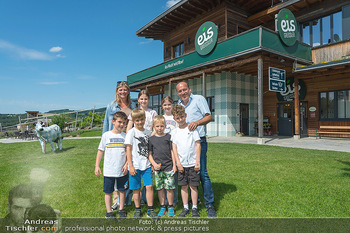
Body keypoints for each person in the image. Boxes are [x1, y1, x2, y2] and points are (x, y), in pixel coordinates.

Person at [176, 81, 217, 218]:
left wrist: (196, 123)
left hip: (199, 141)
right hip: (184, 144)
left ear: (189, 89)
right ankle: (193, 202)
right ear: (178, 93)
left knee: (203, 173)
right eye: (180, 91)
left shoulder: (199, 99)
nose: (183, 93)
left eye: (184, 90)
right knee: (188, 174)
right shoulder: (178, 105)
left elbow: (209, 116)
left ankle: (209, 204)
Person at [102, 81, 136, 209]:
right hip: (115, 140)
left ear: (128, 91)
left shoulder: (133, 104)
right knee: (115, 168)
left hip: (129, 139)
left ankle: (126, 197)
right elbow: (106, 123)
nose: (123, 92)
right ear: (117, 91)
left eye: (125, 90)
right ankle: (116, 200)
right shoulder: (111, 106)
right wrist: (104, 140)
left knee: (126, 167)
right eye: (120, 90)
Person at [95, 111, 129, 220]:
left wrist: (126, 164)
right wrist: (97, 165)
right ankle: (109, 212)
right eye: (119, 122)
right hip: (109, 170)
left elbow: (128, 152)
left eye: (124, 123)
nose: (122, 125)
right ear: (113, 122)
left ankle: (121, 209)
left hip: (122, 170)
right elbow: (100, 151)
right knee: (108, 191)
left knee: (122, 190)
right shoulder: (106, 135)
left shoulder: (125, 136)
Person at [126, 89, 157, 205]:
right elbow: (128, 147)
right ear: (138, 100)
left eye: (145, 98)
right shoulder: (131, 131)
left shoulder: (152, 113)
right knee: (136, 188)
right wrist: (130, 165)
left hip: (146, 161)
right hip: (135, 161)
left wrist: (152, 163)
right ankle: (137, 208)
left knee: (149, 186)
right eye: (141, 98)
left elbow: (150, 149)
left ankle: (149, 207)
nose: (139, 122)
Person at [171, 105, 201, 218]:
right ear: (174, 119)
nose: (180, 120)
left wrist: (197, 161)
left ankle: (194, 207)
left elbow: (198, 145)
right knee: (183, 186)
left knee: (193, 186)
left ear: (185, 116)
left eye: (182, 117)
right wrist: (178, 163)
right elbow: (174, 148)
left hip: (193, 163)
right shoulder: (174, 132)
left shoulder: (192, 129)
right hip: (181, 164)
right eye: (178, 118)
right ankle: (185, 207)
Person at [148, 115, 177, 217]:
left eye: (161, 126)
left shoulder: (168, 137)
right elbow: (149, 154)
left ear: (165, 126)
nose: (159, 128)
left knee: (169, 188)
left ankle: (170, 207)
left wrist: (174, 165)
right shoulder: (151, 139)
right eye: (157, 126)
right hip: (158, 169)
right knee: (160, 189)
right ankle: (162, 207)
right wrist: (154, 164)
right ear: (153, 127)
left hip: (169, 167)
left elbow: (172, 151)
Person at [161, 96, 179, 206]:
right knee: (163, 177)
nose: (167, 107)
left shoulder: (175, 118)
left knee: (173, 176)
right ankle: (164, 201)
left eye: (169, 104)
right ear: (162, 106)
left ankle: (174, 200)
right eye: (165, 105)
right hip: (163, 149)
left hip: (174, 148)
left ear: (173, 105)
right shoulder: (160, 117)